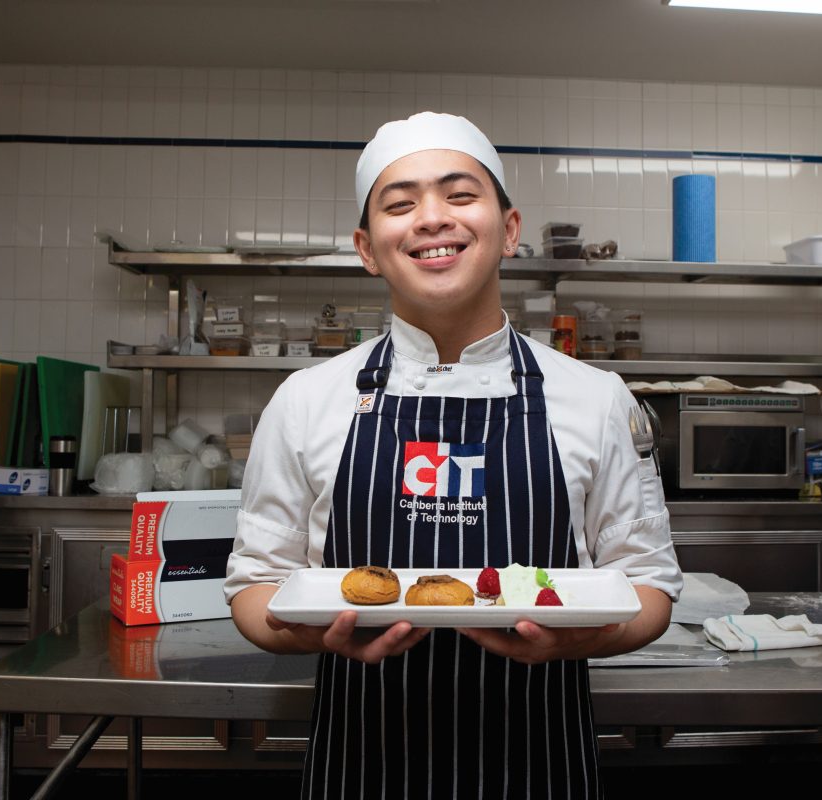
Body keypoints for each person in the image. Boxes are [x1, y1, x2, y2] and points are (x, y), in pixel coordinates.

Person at [224, 111, 681, 799]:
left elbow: (648, 587)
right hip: (362, 770)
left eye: (460, 195)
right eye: (400, 203)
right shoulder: (307, 399)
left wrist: (569, 642)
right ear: (367, 248)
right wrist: (318, 637)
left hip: (538, 768)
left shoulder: (596, 399)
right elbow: (255, 589)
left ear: (510, 229)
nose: (432, 218)